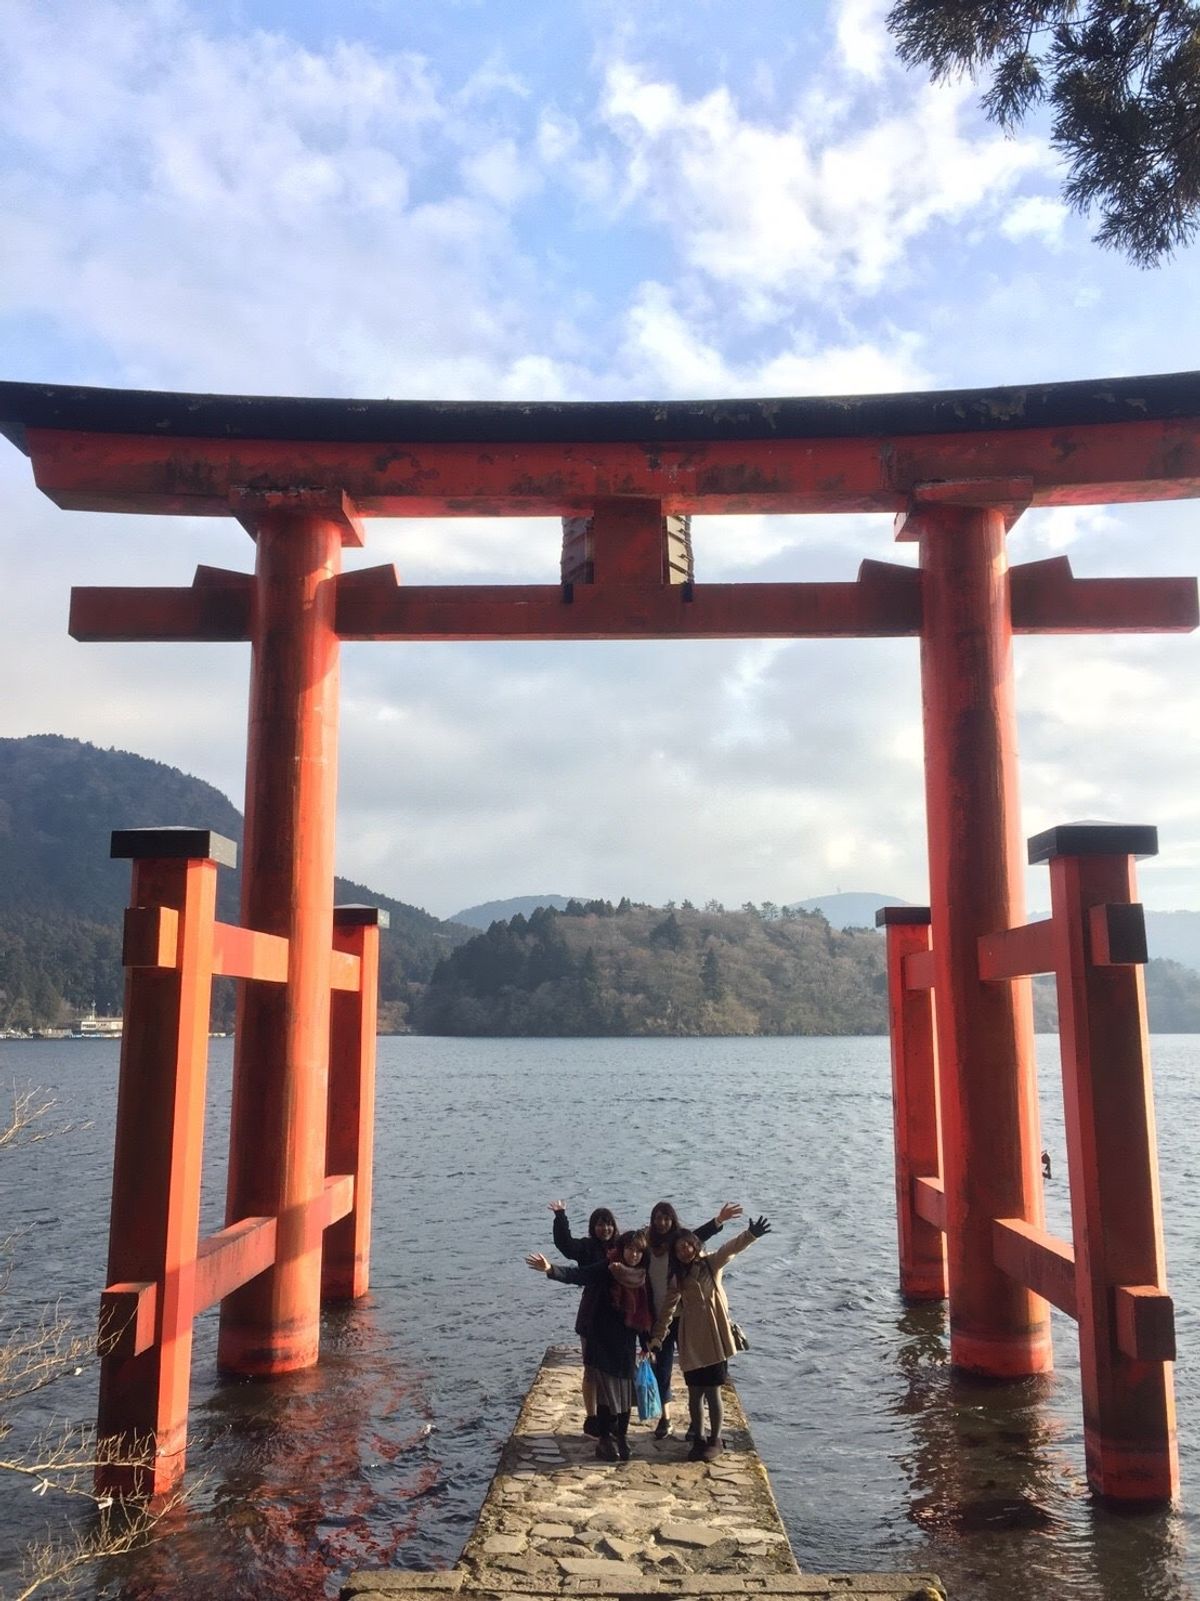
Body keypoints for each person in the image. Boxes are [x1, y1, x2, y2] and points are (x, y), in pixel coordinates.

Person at [649, 1214, 771, 1462]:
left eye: (688, 1245)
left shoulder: (710, 1264)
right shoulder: (676, 1278)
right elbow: (668, 1310)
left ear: (695, 1245)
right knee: (694, 1393)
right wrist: (657, 1337)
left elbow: (730, 1249)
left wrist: (751, 1235)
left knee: (713, 1391)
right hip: (691, 1339)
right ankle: (699, 1438)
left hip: (714, 1335)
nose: (684, 1250)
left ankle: (715, 1439)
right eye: (679, 1248)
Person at [527, 1228, 650, 1462]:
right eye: (630, 1249)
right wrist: (551, 1269)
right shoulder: (608, 1268)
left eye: (639, 1251)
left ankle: (621, 1437)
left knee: (625, 1394)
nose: (634, 1255)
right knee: (606, 1395)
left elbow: (645, 1312)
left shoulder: (642, 1276)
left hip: (625, 1343)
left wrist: (647, 1342)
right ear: (622, 1249)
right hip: (601, 1339)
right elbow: (580, 1275)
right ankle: (605, 1440)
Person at [644, 1199, 742, 1439]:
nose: (662, 1223)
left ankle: (699, 1428)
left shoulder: (683, 1246)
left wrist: (720, 1220)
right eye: (658, 1218)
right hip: (659, 1316)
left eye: (666, 1218)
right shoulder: (646, 1247)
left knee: (700, 1373)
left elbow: (706, 1241)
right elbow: (629, 1255)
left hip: (687, 1319)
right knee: (662, 1370)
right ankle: (666, 1419)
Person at [548, 1201, 618, 1435]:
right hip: (592, 1313)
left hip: (617, 1316)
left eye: (608, 1224)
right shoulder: (587, 1247)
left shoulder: (623, 1247)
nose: (604, 1229)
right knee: (590, 1369)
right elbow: (565, 1244)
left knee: (612, 1370)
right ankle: (591, 1417)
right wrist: (560, 1216)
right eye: (599, 1224)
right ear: (592, 1227)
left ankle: (612, 1414)